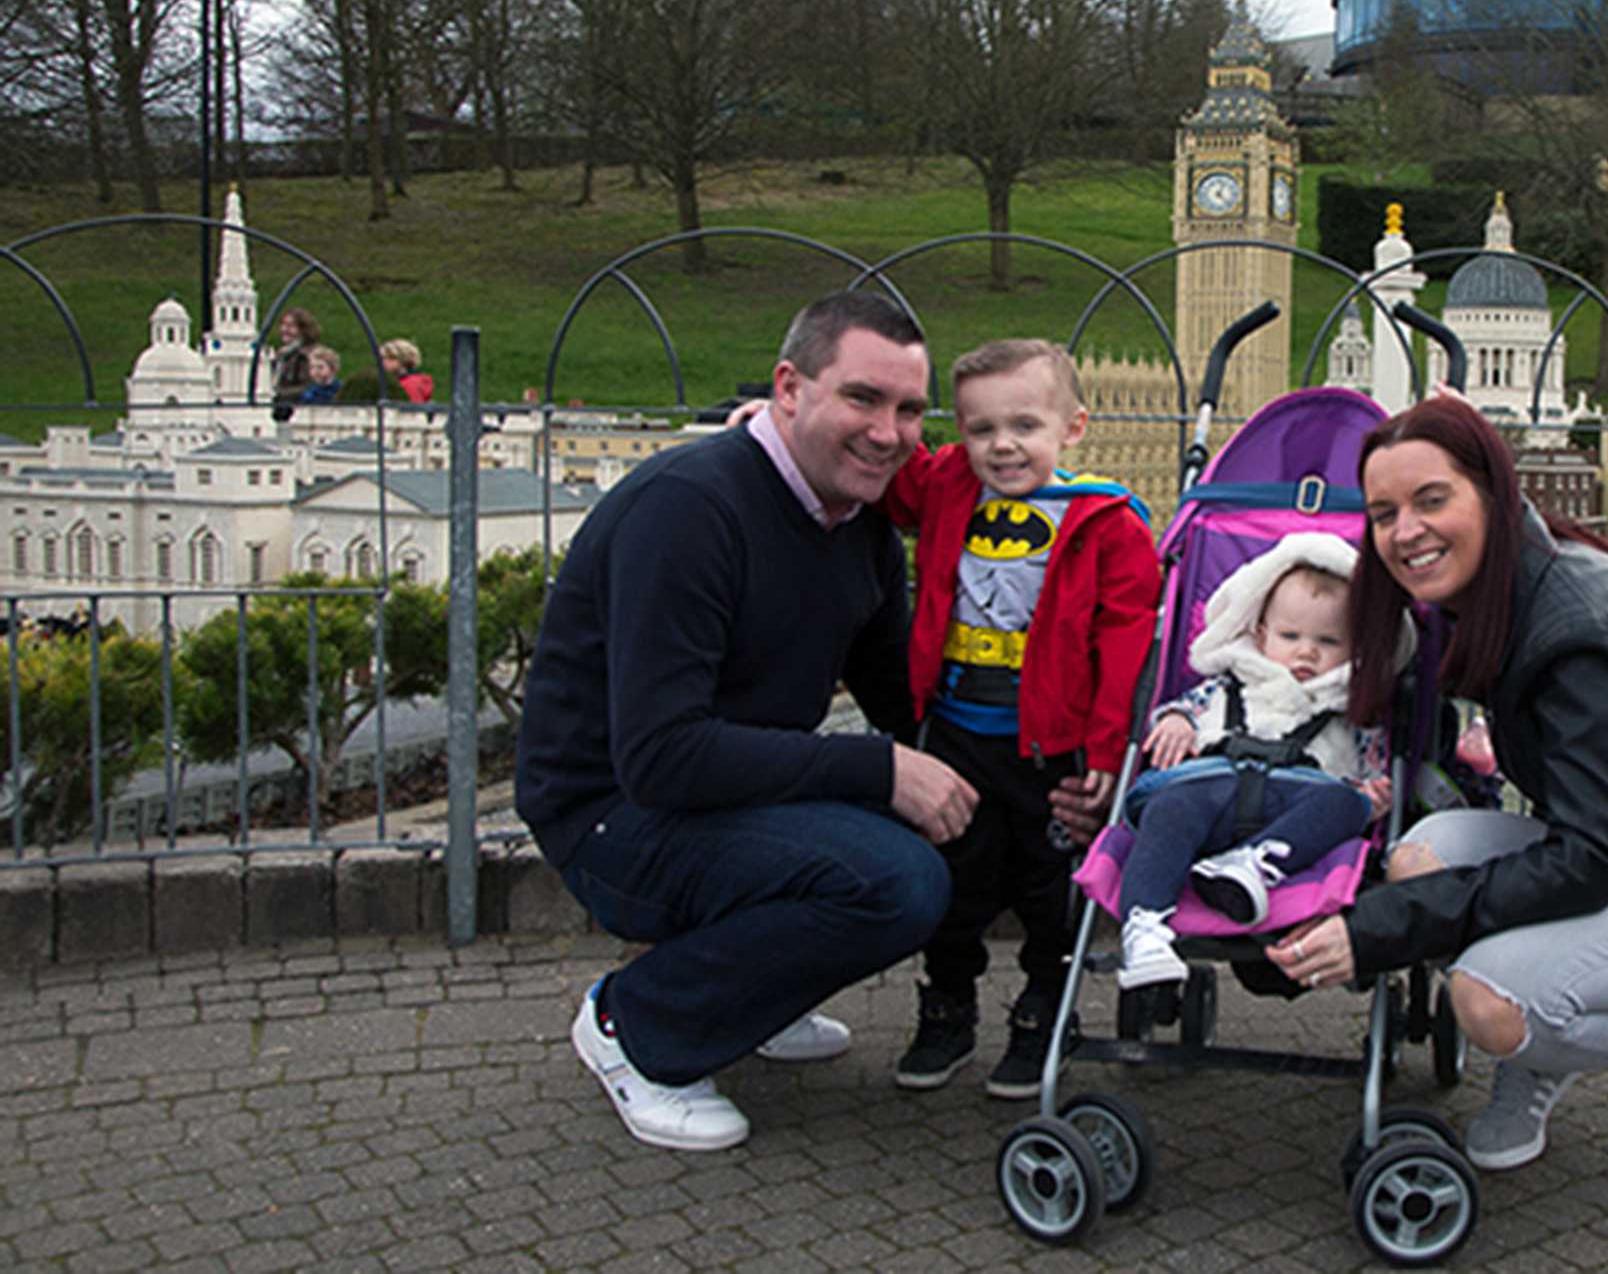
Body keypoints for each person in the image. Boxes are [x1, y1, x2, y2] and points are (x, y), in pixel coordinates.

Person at [1267, 394, 1608, 1184]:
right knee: (1422, 857)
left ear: (1492, 491)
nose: (1405, 532)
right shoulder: (1496, 596)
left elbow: (1587, 859)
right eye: (1384, 514)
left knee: (1487, 998)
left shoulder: (1575, 628)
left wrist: (1375, 930)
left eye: (1431, 500)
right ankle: (1544, 1046)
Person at [514, 291, 978, 1153]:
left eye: (911, 410)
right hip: (613, 815)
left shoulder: (853, 519)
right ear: (789, 388)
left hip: (722, 798)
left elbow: (901, 703)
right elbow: (660, 757)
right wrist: (879, 770)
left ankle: (750, 998)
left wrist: (1034, 772)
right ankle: (636, 1029)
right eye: (862, 399)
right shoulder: (689, 509)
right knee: (893, 882)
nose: (889, 432)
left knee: (964, 825)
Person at [880, 338, 1158, 1098]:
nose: (1002, 446)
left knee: (1049, 887)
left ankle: (1045, 1010)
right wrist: (760, 424)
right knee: (953, 877)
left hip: (1050, 749)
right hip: (958, 734)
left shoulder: (1105, 523)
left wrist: (1106, 750)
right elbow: (886, 478)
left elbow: (1124, 644)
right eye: (980, 430)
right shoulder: (947, 488)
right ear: (959, 432)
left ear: (1071, 427)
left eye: (1025, 427)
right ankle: (947, 1006)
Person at [1116, 532, 1397, 987]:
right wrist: (1176, 720)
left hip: (1297, 805)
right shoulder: (1230, 681)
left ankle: (1253, 864)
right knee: (1169, 808)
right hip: (1212, 788)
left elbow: (1371, 764)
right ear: (1261, 634)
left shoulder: (1351, 707)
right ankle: (1145, 929)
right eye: (1290, 636)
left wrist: (1374, 793)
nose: (1307, 651)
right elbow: (1186, 705)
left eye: (1328, 641)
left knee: (1347, 807)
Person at [270, 308, 322, 402]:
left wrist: (275, 393)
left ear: (303, 330)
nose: (284, 329)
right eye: (282, 324)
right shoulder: (282, 354)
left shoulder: (307, 355)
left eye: (290, 326)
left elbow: (308, 387)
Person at [379, 338, 436, 403]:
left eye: (391, 358)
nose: (384, 362)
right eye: (383, 358)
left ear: (404, 359)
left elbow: (413, 410)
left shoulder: (410, 384)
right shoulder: (397, 380)